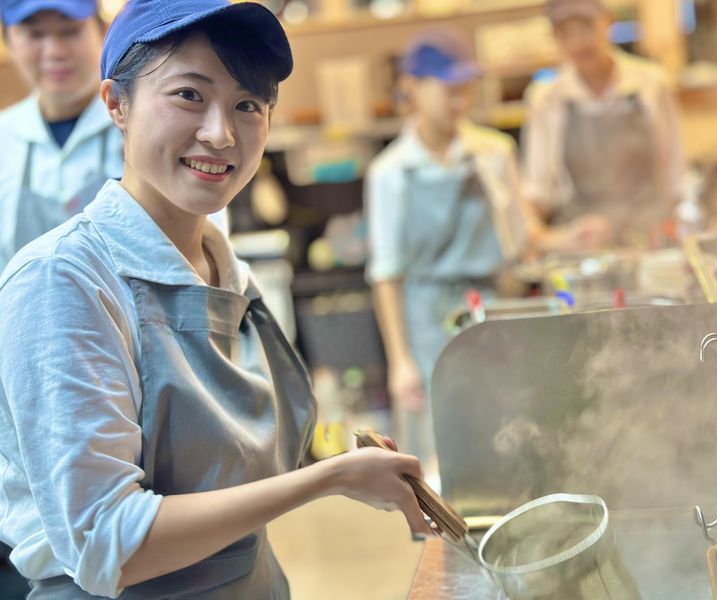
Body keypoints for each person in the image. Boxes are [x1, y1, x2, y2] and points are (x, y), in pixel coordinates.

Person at [0, 1, 430, 597]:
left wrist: (341, 460)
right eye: (188, 95)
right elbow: (106, 541)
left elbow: (224, 460)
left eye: (248, 105)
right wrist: (326, 481)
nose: (220, 133)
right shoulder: (63, 281)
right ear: (116, 105)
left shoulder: (226, 273)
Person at [365, 28, 602, 476]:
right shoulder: (391, 172)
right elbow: (386, 275)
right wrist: (401, 362)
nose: (461, 103)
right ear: (413, 88)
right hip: (427, 323)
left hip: (494, 312)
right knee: (440, 457)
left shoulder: (493, 152)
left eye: (467, 91)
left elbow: (522, 238)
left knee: (508, 441)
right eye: (450, 92)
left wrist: (568, 238)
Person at [521, 0, 685, 246]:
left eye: (586, 26)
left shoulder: (650, 84)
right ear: (554, 37)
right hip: (584, 246)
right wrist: (551, 238)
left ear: (607, 21)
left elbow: (676, 177)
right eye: (566, 32)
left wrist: (673, 227)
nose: (578, 41)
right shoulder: (546, 98)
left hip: (651, 240)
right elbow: (537, 193)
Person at [0, 0, 123, 272]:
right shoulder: (4, 138)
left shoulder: (142, 126)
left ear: (102, 31)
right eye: (35, 35)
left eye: (69, 31)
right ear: (8, 40)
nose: (55, 52)